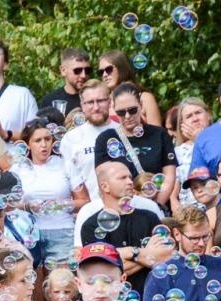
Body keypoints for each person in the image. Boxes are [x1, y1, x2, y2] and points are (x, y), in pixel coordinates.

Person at [141, 207, 221, 301]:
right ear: (177, 235)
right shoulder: (161, 275)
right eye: (194, 238)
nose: (202, 243)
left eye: (206, 236)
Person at [61, 79, 136, 201]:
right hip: (91, 209)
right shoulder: (70, 139)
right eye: (90, 102)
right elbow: (70, 182)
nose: (96, 107)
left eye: (100, 101)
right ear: (82, 105)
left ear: (110, 102)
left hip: (130, 204)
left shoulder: (125, 132)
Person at [12, 123, 75, 262]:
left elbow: (84, 200)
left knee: (61, 281)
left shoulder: (65, 164)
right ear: (27, 145)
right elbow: (8, 204)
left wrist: (61, 204)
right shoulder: (18, 168)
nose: (44, 144)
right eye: (37, 140)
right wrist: (28, 206)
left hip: (62, 230)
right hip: (29, 232)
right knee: (32, 281)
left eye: (47, 139)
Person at [38, 48, 90, 120]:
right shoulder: (49, 101)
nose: (83, 75)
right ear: (63, 70)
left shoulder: (95, 99)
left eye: (87, 70)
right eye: (77, 70)